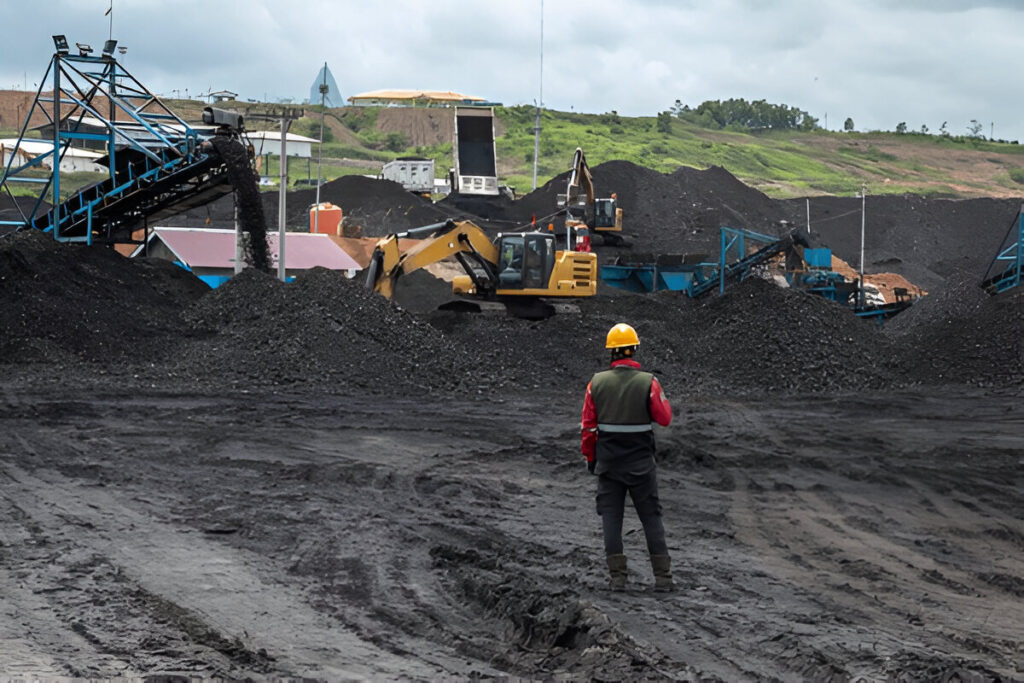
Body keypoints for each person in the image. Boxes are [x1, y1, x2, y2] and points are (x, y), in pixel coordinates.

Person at [580, 323, 674, 591]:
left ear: (611, 353)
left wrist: (590, 458)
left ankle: (618, 578)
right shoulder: (649, 382)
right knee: (651, 518)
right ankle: (664, 579)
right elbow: (665, 419)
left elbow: (588, 428)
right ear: (633, 351)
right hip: (642, 465)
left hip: (608, 464)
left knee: (611, 518)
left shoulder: (595, 383)